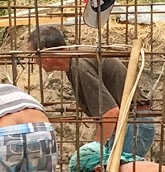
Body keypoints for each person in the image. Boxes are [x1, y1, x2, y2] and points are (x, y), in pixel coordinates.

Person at [26, 25, 155, 158]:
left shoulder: (81, 66)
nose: (33, 60)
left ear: (46, 53)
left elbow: (110, 113)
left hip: (133, 123)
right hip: (129, 122)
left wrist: (95, 151)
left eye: (33, 54)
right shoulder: (75, 62)